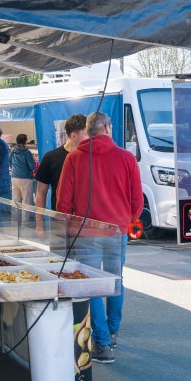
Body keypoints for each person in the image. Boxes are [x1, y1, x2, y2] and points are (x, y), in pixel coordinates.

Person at [56, 112, 142, 364]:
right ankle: (112, 332)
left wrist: (69, 226)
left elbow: (63, 202)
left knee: (92, 286)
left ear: (88, 129)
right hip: (117, 231)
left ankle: (102, 344)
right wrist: (125, 220)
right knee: (115, 281)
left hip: (85, 233)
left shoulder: (74, 158)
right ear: (107, 127)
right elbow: (137, 201)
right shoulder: (126, 158)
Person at [35, 114, 88, 210]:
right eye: (86, 134)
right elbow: (41, 192)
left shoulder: (90, 157)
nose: (90, 138)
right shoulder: (50, 157)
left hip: (84, 216)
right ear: (74, 135)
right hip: (59, 216)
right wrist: (39, 218)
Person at [10, 134, 37, 205]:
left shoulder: (13, 150)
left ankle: (15, 213)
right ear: (25, 142)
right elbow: (32, 166)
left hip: (14, 177)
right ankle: (25, 213)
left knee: (15, 201)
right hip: (25, 179)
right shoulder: (27, 152)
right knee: (26, 202)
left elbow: (9, 162)